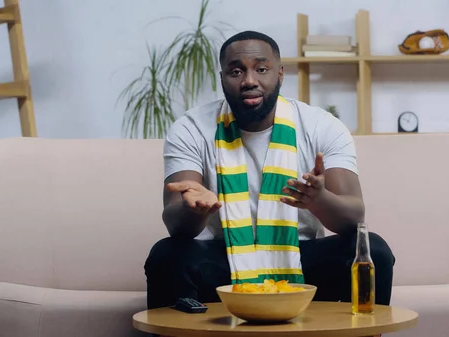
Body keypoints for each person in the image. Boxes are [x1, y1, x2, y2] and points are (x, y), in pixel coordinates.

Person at [144, 30, 395, 310]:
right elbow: (176, 225)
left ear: (280, 74)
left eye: (261, 69)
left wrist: (320, 200)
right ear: (222, 78)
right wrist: (195, 209)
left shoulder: (322, 126)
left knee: (375, 251)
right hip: (223, 258)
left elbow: (354, 219)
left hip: (300, 258)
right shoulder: (191, 128)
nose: (250, 80)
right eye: (236, 71)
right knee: (166, 255)